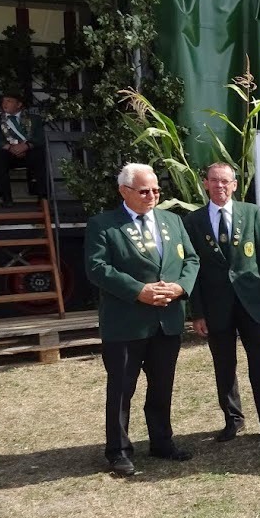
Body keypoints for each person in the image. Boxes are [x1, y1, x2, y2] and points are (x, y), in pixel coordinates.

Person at [85, 163, 200, 477]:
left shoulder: (172, 221)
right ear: (124, 191)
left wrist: (180, 287)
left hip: (167, 319)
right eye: (144, 191)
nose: (152, 196)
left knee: (162, 386)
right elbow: (97, 268)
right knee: (122, 389)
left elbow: (191, 259)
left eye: (156, 190)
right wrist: (139, 291)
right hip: (127, 323)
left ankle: (162, 442)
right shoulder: (103, 224)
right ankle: (118, 451)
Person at [185, 163, 260, 443]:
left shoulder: (251, 212)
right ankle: (233, 420)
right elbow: (192, 269)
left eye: (225, 181)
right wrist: (197, 312)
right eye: (214, 180)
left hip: (251, 302)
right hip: (215, 305)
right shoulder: (193, 220)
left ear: (234, 185)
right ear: (206, 184)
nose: (220, 186)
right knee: (224, 364)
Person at [0, 91, 47, 205]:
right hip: (7, 153)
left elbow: (40, 138)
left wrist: (26, 146)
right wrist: (8, 147)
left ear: (19, 104)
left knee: (39, 154)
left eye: (9, 101)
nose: (5, 104)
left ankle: (43, 197)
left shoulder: (33, 119)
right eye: (3, 101)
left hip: (28, 151)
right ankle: (5, 198)